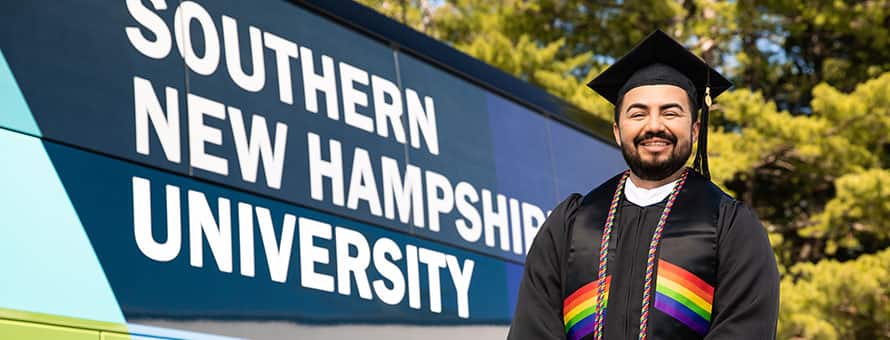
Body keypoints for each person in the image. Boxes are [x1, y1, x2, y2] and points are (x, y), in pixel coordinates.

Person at [507, 30, 780, 340]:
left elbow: (744, 331)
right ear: (617, 130)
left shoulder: (729, 225)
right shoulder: (571, 223)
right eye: (638, 113)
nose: (654, 126)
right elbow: (533, 329)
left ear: (695, 127)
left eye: (670, 112)